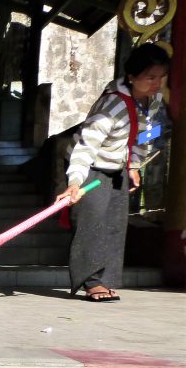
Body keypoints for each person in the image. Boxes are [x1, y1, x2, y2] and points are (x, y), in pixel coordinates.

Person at [56, 43, 169, 303]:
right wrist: (74, 183)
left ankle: (106, 280)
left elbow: (144, 136)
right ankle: (91, 283)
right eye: (150, 77)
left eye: (161, 77)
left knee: (115, 223)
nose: (156, 83)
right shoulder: (111, 107)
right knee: (92, 221)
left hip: (117, 166)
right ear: (132, 77)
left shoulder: (154, 100)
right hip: (90, 166)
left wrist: (133, 166)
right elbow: (84, 149)